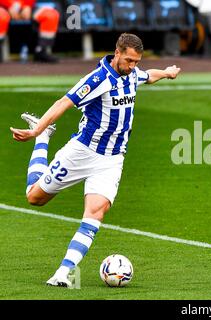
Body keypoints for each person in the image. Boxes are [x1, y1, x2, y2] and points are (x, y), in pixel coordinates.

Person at [10, 33, 181, 286]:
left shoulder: (132, 74)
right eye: (130, 60)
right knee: (34, 198)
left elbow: (148, 76)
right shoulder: (97, 79)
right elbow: (63, 103)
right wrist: (36, 131)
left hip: (112, 160)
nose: (133, 66)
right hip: (81, 153)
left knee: (95, 213)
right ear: (118, 52)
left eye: (137, 61)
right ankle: (43, 137)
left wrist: (167, 72)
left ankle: (62, 274)